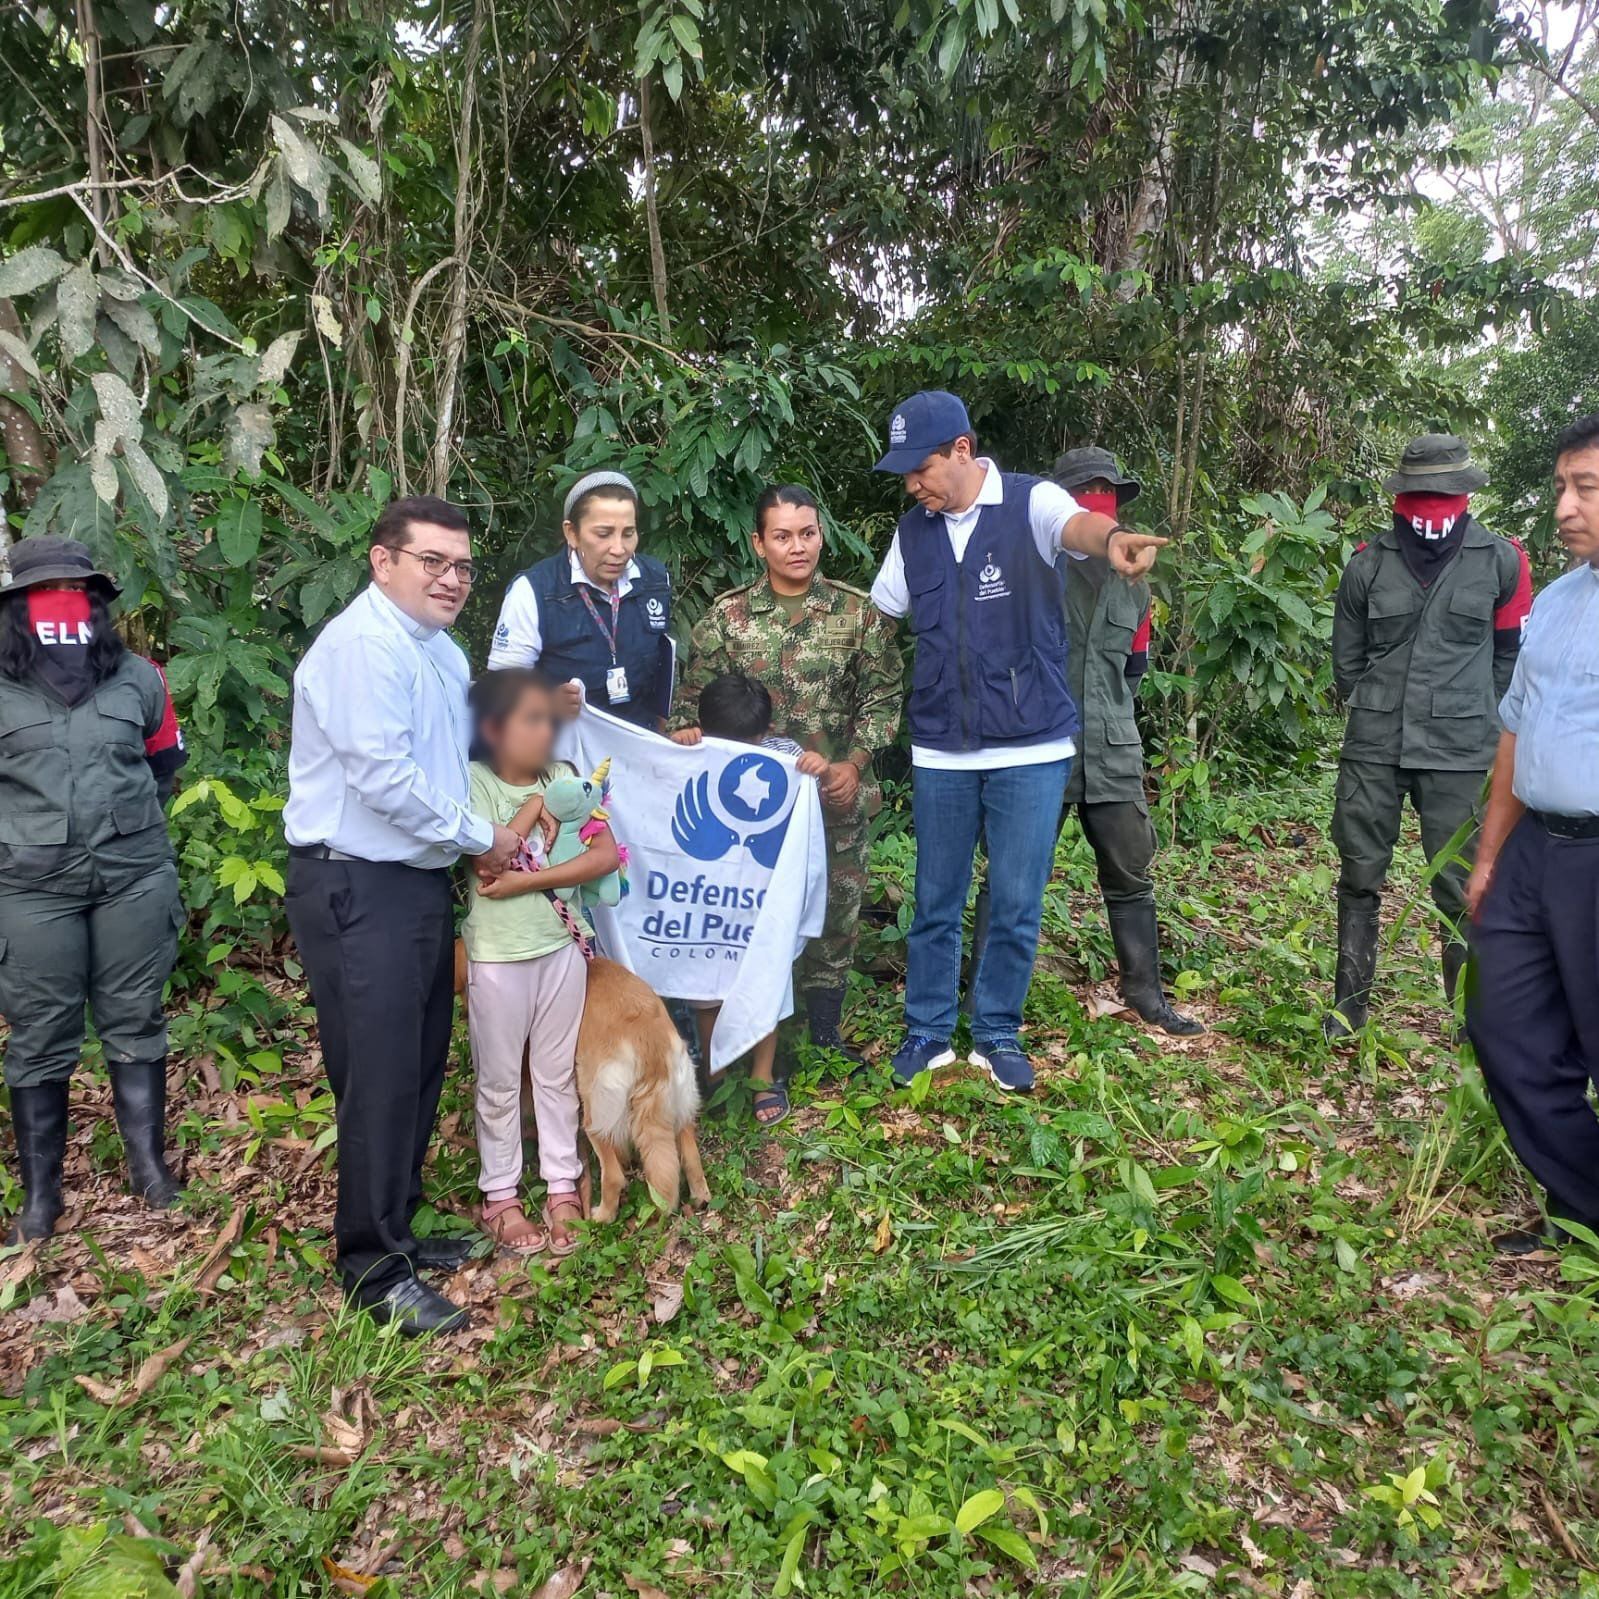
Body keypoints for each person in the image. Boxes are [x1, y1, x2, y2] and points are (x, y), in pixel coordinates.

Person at [868, 390, 1166, 1094]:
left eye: (922, 467)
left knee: (1013, 898)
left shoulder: (1028, 502)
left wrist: (1110, 541)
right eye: (905, 473)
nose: (913, 484)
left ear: (963, 450)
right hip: (941, 745)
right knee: (935, 895)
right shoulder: (912, 531)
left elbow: (1077, 529)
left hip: (1029, 746)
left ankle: (997, 1030)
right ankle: (928, 1030)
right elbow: (880, 612)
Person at [284, 495, 523, 1336]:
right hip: (356, 882)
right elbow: (384, 780)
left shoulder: (442, 653)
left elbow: (452, 767)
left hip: (416, 883)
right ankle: (370, 1266)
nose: (453, 578)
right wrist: (481, 838)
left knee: (418, 1061)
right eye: (433, 561)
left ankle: (399, 1227)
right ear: (383, 560)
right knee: (378, 1072)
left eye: (462, 565)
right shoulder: (361, 646)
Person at [667, 485, 902, 1062]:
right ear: (759, 543)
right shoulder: (728, 616)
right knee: (742, 916)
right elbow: (689, 700)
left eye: (808, 533)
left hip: (832, 798)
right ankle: (735, 1035)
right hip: (746, 813)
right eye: (782, 536)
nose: (798, 547)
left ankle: (821, 1033)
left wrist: (855, 762)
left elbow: (884, 697)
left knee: (835, 914)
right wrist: (687, 733)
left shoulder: (857, 613)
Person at [972, 448, 1201, 1036]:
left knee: (1131, 873)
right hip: (1037, 747)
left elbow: (1134, 670)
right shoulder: (1029, 565)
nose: (1101, 499)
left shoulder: (1138, 587)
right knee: (1011, 876)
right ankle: (982, 999)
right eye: (1087, 491)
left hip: (1113, 747)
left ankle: (1145, 994)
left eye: (1108, 491)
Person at [0, 537, 189, 1243]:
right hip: (28, 886)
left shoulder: (140, 677)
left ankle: (149, 1169)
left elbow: (162, 767)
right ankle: (41, 1199)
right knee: (41, 1035)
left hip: (131, 875)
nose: (63, 607)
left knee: (135, 1017)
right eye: (47, 595)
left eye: (76, 595)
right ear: (20, 608)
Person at [1326, 434, 1531, 1040]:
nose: (1433, 504)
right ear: (1401, 495)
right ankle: (1348, 1011)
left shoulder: (1503, 561)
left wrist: (1473, 714)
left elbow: (1509, 658)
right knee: (1360, 872)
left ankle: (1471, 1024)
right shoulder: (1367, 563)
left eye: (1445, 492)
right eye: (1421, 493)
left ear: (1467, 494)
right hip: (1375, 747)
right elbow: (1348, 662)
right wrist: (1383, 702)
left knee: (1462, 883)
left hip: (1462, 753)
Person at [1464, 412, 1599, 1254]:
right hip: (1532, 854)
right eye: (1560, 487)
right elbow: (1514, 731)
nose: (1563, 507)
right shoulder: (1554, 600)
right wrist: (1486, 857)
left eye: (1585, 488)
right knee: (1507, 1030)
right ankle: (1585, 1204)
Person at [462, 669, 620, 1258]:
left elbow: (602, 856)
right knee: (500, 1082)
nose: (547, 730)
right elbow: (486, 864)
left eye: (549, 719)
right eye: (532, 719)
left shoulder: (569, 780)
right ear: (493, 729)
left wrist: (536, 881)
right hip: (498, 958)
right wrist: (532, 805)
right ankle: (499, 1195)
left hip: (561, 952)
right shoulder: (472, 784)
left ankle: (561, 1186)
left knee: (556, 1077)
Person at [684, 672, 825, 1127]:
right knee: (706, 983)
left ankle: (763, 1076)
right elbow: (656, 772)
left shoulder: (784, 754)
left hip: (764, 897)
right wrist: (677, 743)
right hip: (706, 895)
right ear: (704, 726)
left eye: (748, 741)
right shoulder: (690, 746)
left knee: (767, 976)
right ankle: (715, 1073)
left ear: (765, 732)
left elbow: (811, 778)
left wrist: (815, 766)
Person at [488, 470, 674, 727]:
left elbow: (663, 668)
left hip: (638, 747)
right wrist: (546, 704)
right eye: (603, 534)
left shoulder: (654, 579)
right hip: (562, 753)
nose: (619, 549)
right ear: (572, 533)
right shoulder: (533, 590)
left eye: (628, 533)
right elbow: (500, 692)